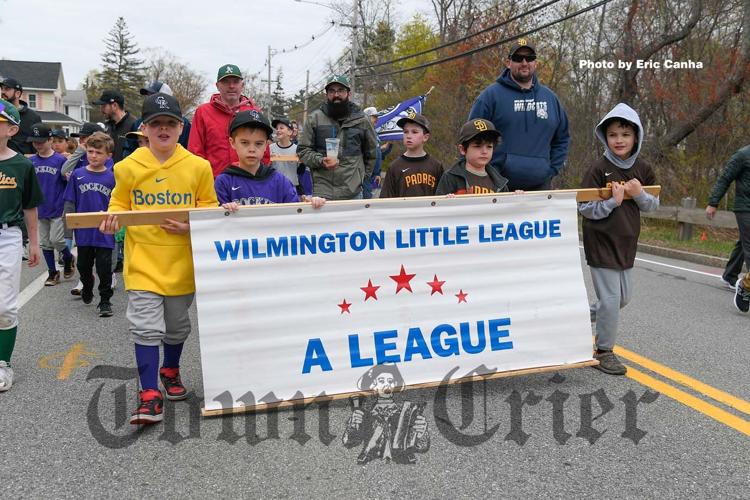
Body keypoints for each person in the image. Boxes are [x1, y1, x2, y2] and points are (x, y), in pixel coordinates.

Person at [100, 92, 218, 425]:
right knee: (146, 327)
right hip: (143, 263)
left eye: (170, 123)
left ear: (181, 128)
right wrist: (113, 220)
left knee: (177, 327)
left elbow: (209, 208)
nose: (163, 129)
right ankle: (149, 394)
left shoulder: (199, 167)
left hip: (182, 263)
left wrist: (188, 226)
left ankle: (170, 369)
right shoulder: (127, 167)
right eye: (156, 124)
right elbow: (118, 204)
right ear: (145, 129)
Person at [579, 103, 660, 375]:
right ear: (605, 137)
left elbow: (652, 206)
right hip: (600, 241)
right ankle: (603, 351)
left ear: (636, 136)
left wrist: (638, 194)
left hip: (626, 244)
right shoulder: (597, 168)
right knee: (611, 300)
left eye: (625, 134)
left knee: (622, 299)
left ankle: (574, 320)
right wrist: (613, 203)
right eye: (613, 134)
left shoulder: (643, 169)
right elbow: (585, 208)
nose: (619, 140)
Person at [468, 39, 570, 191]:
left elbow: (562, 138)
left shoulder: (550, 99)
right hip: (497, 185)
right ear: (508, 63)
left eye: (529, 58)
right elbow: (471, 136)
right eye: (518, 58)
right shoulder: (490, 96)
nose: (524, 62)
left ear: (535, 63)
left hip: (540, 186)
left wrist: (551, 170)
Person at [0, 99, 43, 392]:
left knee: (4, 306)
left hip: (8, 235)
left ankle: (3, 363)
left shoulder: (22, 165)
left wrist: (35, 243)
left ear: (12, 128)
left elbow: (30, 207)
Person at [216, 111, 325, 209]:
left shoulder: (281, 182)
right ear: (232, 142)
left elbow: (295, 215)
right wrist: (223, 210)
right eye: (244, 143)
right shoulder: (224, 182)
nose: (252, 149)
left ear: (266, 145)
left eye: (259, 143)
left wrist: (311, 207)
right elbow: (213, 222)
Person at [297, 75, 378, 200]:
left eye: (340, 90)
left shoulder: (362, 120)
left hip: (353, 192)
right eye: (332, 91)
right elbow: (303, 150)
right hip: (322, 193)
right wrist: (321, 160)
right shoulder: (315, 119)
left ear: (349, 94)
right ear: (326, 95)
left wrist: (362, 178)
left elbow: (371, 153)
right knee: (325, 221)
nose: (336, 95)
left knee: (353, 221)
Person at [63, 132, 116, 317]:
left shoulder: (112, 177)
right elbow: (70, 202)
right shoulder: (78, 175)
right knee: (83, 266)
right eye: (91, 151)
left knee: (104, 268)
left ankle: (105, 300)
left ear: (108, 156)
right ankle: (87, 284)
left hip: (104, 232)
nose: (93, 156)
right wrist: (68, 232)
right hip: (84, 232)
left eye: (98, 153)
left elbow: (118, 204)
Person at [189, 64, 269, 177]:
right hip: (213, 184)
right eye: (226, 82)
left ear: (242, 85)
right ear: (217, 85)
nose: (231, 86)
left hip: (248, 183)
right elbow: (195, 152)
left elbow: (264, 152)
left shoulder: (254, 112)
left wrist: (260, 181)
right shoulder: (203, 112)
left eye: (235, 81)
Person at [342, 364, 429, 464]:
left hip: (404, 465)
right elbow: (348, 442)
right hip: (371, 464)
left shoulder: (406, 414)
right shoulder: (366, 414)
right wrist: (352, 426)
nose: (386, 385)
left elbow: (422, 447)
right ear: (374, 384)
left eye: (390, 381)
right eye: (382, 381)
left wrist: (422, 433)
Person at [27, 123, 75, 285]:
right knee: (45, 242)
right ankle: (52, 273)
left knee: (57, 240)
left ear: (50, 140)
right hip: (40, 209)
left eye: (41, 141)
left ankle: (68, 258)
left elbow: (67, 181)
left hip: (57, 207)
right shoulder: (31, 161)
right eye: (35, 142)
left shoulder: (60, 160)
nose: (38, 145)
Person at [706, 146, 750, 313]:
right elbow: (725, 178)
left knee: (744, 244)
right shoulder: (743, 155)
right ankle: (746, 287)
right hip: (745, 207)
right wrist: (713, 202)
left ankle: (730, 276)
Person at [436, 119, 509, 195]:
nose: (484, 151)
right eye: (478, 146)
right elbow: (438, 205)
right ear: (463, 149)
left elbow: (507, 205)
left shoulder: (500, 183)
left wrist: (518, 197)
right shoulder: (451, 177)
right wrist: (448, 201)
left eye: (489, 146)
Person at [379, 114, 443, 198]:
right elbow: (386, 200)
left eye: (414, 132)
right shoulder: (395, 167)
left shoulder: (436, 166)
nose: (409, 136)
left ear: (425, 137)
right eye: (406, 132)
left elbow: (443, 199)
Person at [131, 81, 191, 150]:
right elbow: (130, 148)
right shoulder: (138, 122)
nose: (149, 99)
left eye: (153, 95)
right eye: (147, 95)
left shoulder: (183, 123)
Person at [91, 90, 136, 163]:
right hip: (109, 173)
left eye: (104, 106)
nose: (101, 110)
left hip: (126, 173)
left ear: (114, 105)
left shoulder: (134, 125)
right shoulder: (107, 126)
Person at [0, 78, 42, 155]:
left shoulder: (33, 117)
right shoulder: (0, 111)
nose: (2, 92)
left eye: (7, 89)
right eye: (2, 89)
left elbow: (38, 143)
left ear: (18, 93)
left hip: (22, 161)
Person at [269, 117, 304, 197]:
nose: (278, 130)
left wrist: (301, 162)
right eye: (277, 128)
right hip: (275, 186)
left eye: (281, 128)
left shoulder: (297, 149)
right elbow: (266, 169)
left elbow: (300, 172)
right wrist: (268, 161)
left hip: (292, 187)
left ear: (290, 132)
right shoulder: (270, 148)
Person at [361, 107, 382, 199]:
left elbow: (378, 153)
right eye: (374, 117)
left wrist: (377, 173)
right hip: (365, 177)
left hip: (373, 177)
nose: (377, 119)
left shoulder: (374, 133)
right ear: (367, 117)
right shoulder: (362, 133)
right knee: (366, 203)